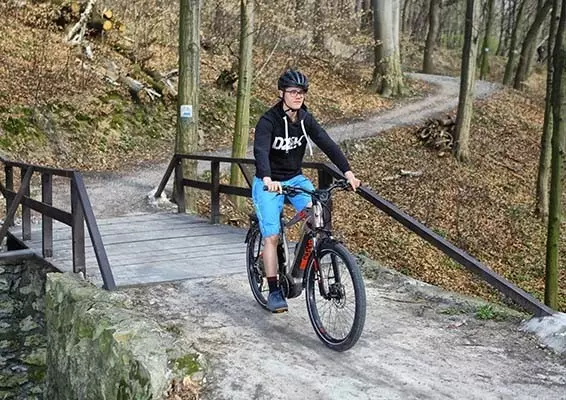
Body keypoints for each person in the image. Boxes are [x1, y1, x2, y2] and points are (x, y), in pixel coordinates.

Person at [252, 69, 361, 313]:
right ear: (281, 93)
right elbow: (260, 150)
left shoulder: (305, 119)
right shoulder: (268, 121)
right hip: (269, 182)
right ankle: (274, 290)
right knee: (271, 237)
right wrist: (267, 178)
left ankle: (303, 263)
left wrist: (348, 172)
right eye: (292, 92)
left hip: (295, 179)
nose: (297, 96)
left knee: (318, 213)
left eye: (301, 92)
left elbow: (327, 143)